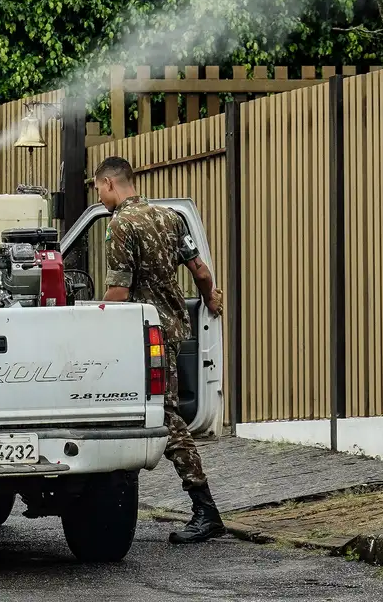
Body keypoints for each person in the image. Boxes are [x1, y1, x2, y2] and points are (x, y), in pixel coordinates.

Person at [93, 155, 225, 545]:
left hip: (142, 334)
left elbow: (118, 292)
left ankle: (206, 510)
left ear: (109, 183)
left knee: (166, 416)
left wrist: (95, 329)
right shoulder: (172, 218)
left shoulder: (121, 225)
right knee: (150, 411)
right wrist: (212, 300)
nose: (100, 196)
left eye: (98, 188)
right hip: (171, 330)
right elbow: (200, 271)